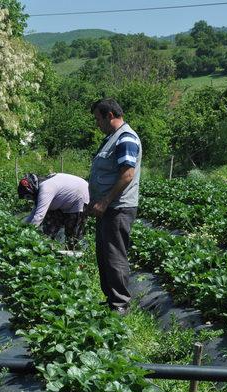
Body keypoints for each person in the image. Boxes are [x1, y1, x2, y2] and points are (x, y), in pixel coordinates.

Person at [88, 98, 142, 315]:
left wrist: (105, 200)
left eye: (98, 119)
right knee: (104, 254)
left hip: (118, 207)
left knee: (114, 255)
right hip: (107, 207)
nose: (97, 124)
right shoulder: (112, 138)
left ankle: (120, 304)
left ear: (110, 115)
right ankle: (111, 299)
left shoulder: (126, 138)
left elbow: (127, 174)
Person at [18, 172, 89, 250]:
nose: (29, 199)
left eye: (28, 196)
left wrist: (27, 234)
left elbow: (39, 216)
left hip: (80, 196)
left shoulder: (45, 188)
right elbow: (32, 214)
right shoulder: (41, 189)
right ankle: (45, 250)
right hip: (64, 199)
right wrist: (21, 229)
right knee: (48, 230)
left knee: (72, 236)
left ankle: (73, 256)